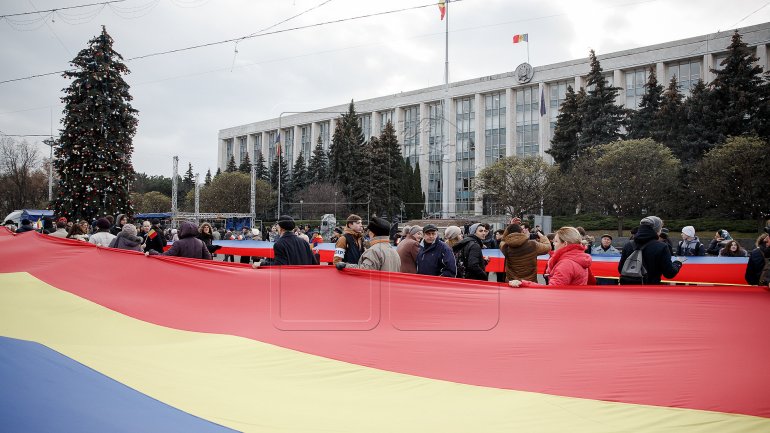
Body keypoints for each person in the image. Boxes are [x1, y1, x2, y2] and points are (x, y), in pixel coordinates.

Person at [509, 226, 593, 288]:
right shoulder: (579, 258)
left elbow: (551, 289)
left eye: (556, 241)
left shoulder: (566, 264)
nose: (553, 243)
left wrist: (524, 284)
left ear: (565, 244)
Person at [618, 216, 684, 285]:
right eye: (660, 228)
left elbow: (621, 269)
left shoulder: (628, 245)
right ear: (657, 230)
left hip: (629, 288)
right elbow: (669, 273)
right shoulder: (661, 247)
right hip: (650, 288)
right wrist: (677, 263)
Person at [335, 217, 400, 272]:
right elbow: (337, 260)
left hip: (364, 280)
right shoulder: (394, 251)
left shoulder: (373, 250)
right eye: (358, 223)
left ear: (372, 233)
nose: (361, 225)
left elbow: (365, 270)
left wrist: (345, 266)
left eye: (361, 223)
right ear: (350, 225)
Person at [146, 221, 211, 259]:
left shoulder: (178, 243)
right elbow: (208, 258)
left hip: (182, 272)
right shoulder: (201, 243)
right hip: (197, 272)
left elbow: (164, 256)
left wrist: (152, 252)